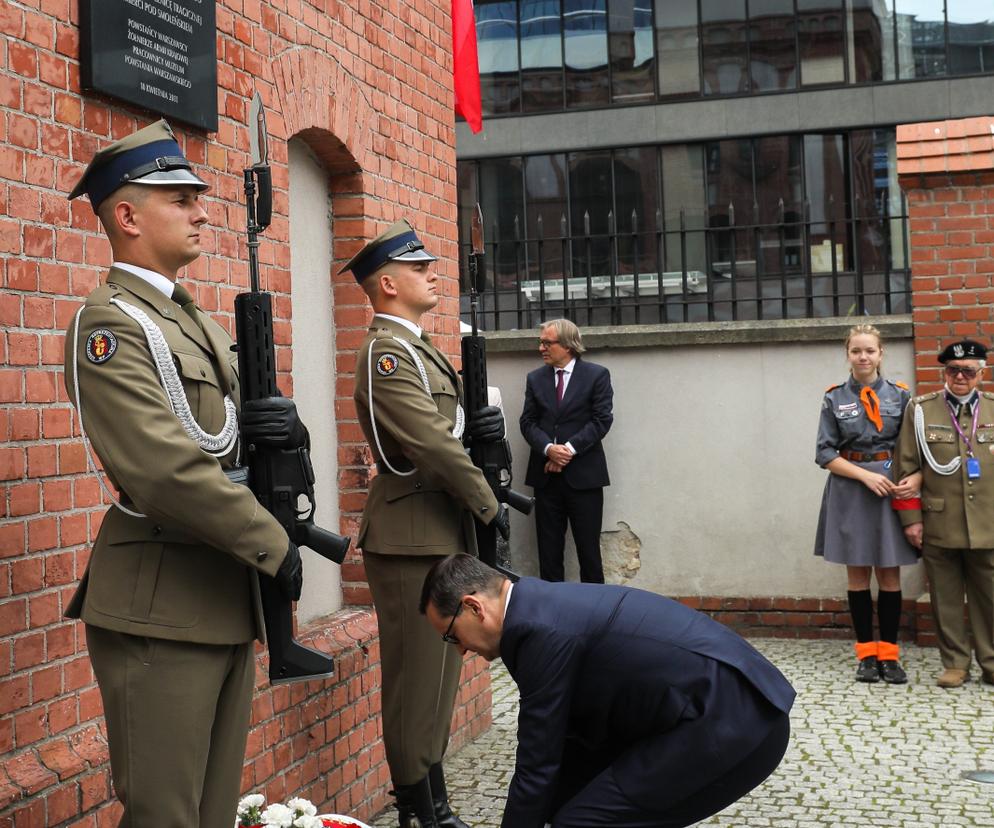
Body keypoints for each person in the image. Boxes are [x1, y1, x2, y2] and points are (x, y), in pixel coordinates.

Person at [63, 120, 305, 826]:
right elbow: (164, 470)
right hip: (160, 611)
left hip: (221, 597)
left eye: (199, 197)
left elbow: (237, 443)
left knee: (211, 813)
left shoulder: (187, 318)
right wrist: (273, 543)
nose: (203, 211)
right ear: (129, 216)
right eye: (181, 198)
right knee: (166, 816)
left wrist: (289, 431)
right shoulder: (109, 327)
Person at [420, 555, 795, 828]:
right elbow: (564, 746)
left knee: (582, 822)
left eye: (452, 635)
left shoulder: (538, 631)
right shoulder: (534, 608)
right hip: (707, 713)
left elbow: (539, 761)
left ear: (473, 606)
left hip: (738, 722)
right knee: (567, 807)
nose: (460, 650)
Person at [343, 220, 508, 828]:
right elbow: (432, 444)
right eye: (418, 268)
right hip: (411, 536)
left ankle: (434, 805)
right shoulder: (386, 353)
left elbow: (454, 432)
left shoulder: (418, 347)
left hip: (438, 532)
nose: (431, 273)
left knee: (440, 683)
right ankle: (422, 810)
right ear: (387, 284)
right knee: (416, 682)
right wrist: (487, 503)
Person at [814, 324, 921, 684]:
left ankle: (889, 655)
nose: (863, 357)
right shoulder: (833, 398)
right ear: (847, 354)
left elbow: (913, 447)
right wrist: (864, 475)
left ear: (881, 354)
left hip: (891, 486)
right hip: (852, 488)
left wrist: (913, 479)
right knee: (858, 573)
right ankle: (866, 654)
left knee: (889, 572)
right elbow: (825, 453)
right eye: (856, 351)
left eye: (870, 351)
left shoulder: (901, 397)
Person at [893, 338, 994, 689]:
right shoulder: (921, 410)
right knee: (945, 597)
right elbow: (905, 467)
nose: (960, 377)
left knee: (990, 598)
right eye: (953, 370)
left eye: (968, 371)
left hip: (989, 523)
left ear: (981, 373)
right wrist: (911, 520)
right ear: (944, 372)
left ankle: (991, 663)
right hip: (940, 520)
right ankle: (955, 663)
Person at [519, 319, 613, 583]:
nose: (541, 348)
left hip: (584, 479)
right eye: (541, 342)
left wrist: (568, 450)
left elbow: (601, 420)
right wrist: (549, 449)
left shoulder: (596, 375)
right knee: (548, 555)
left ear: (568, 345)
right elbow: (527, 422)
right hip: (546, 479)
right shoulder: (535, 379)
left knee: (589, 554)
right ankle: (554, 616)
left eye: (547, 343)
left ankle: (596, 614)